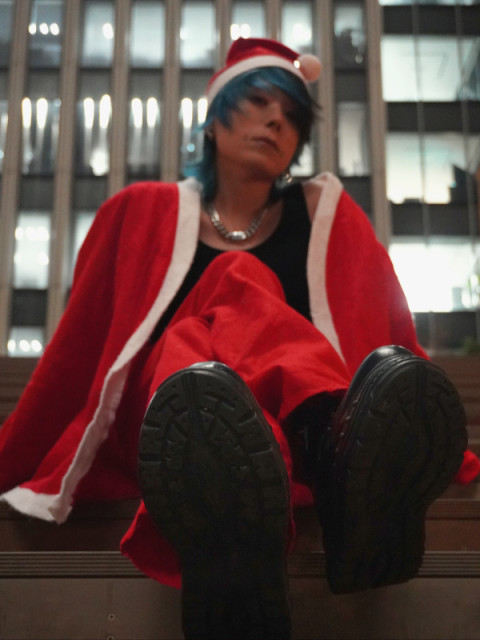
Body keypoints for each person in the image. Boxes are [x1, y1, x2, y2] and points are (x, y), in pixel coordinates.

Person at [0, 38, 479, 640]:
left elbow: (384, 329)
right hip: (163, 423)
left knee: (237, 304)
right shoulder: (139, 209)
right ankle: (323, 451)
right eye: (258, 101)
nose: (277, 120)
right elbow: (78, 350)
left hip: (273, 423)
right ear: (213, 118)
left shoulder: (325, 216)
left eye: (293, 116)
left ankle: (246, 495)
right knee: (226, 292)